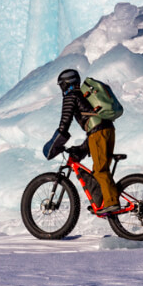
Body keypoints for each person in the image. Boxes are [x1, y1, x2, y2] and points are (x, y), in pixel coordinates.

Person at [44, 69, 121, 215]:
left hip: (98, 132)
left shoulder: (71, 96)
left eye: (61, 85)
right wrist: (83, 148)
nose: (62, 88)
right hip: (107, 130)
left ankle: (111, 203)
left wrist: (54, 144)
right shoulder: (82, 96)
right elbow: (94, 124)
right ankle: (102, 201)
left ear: (66, 84)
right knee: (100, 168)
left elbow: (64, 123)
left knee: (100, 170)